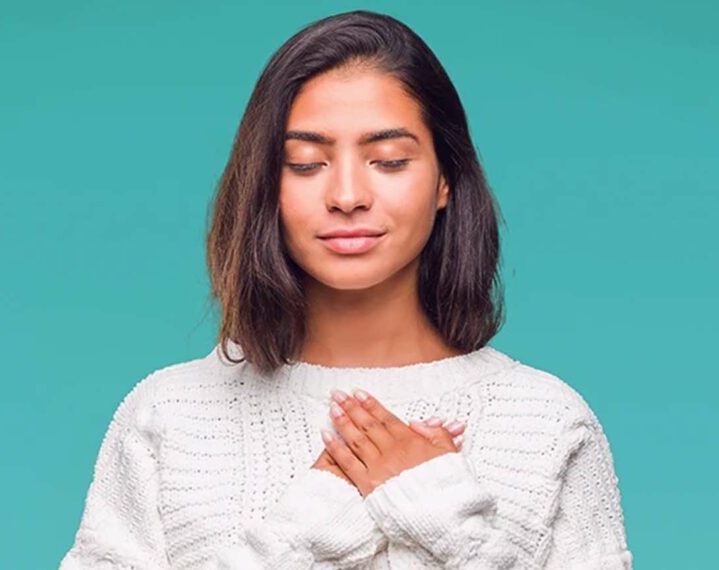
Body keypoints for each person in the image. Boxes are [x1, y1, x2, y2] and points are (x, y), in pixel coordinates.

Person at [59, 9, 633, 569]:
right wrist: (303, 535)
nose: (348, 194)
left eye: (388, 160)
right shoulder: (172, 416)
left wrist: (444, 526)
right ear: (265, 185)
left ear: (444, 180)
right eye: (306, 164)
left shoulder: (543, 421)